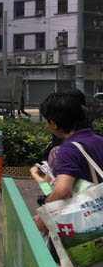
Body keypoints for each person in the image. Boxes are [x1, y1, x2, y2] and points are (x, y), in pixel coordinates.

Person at [33, 90, 103, 235]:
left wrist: (44, 216)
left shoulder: (68, 149)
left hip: (85, 225)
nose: (46, 125)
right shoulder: (99, 140)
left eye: (46, 121)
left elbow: (62, 190)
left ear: (54, 124)